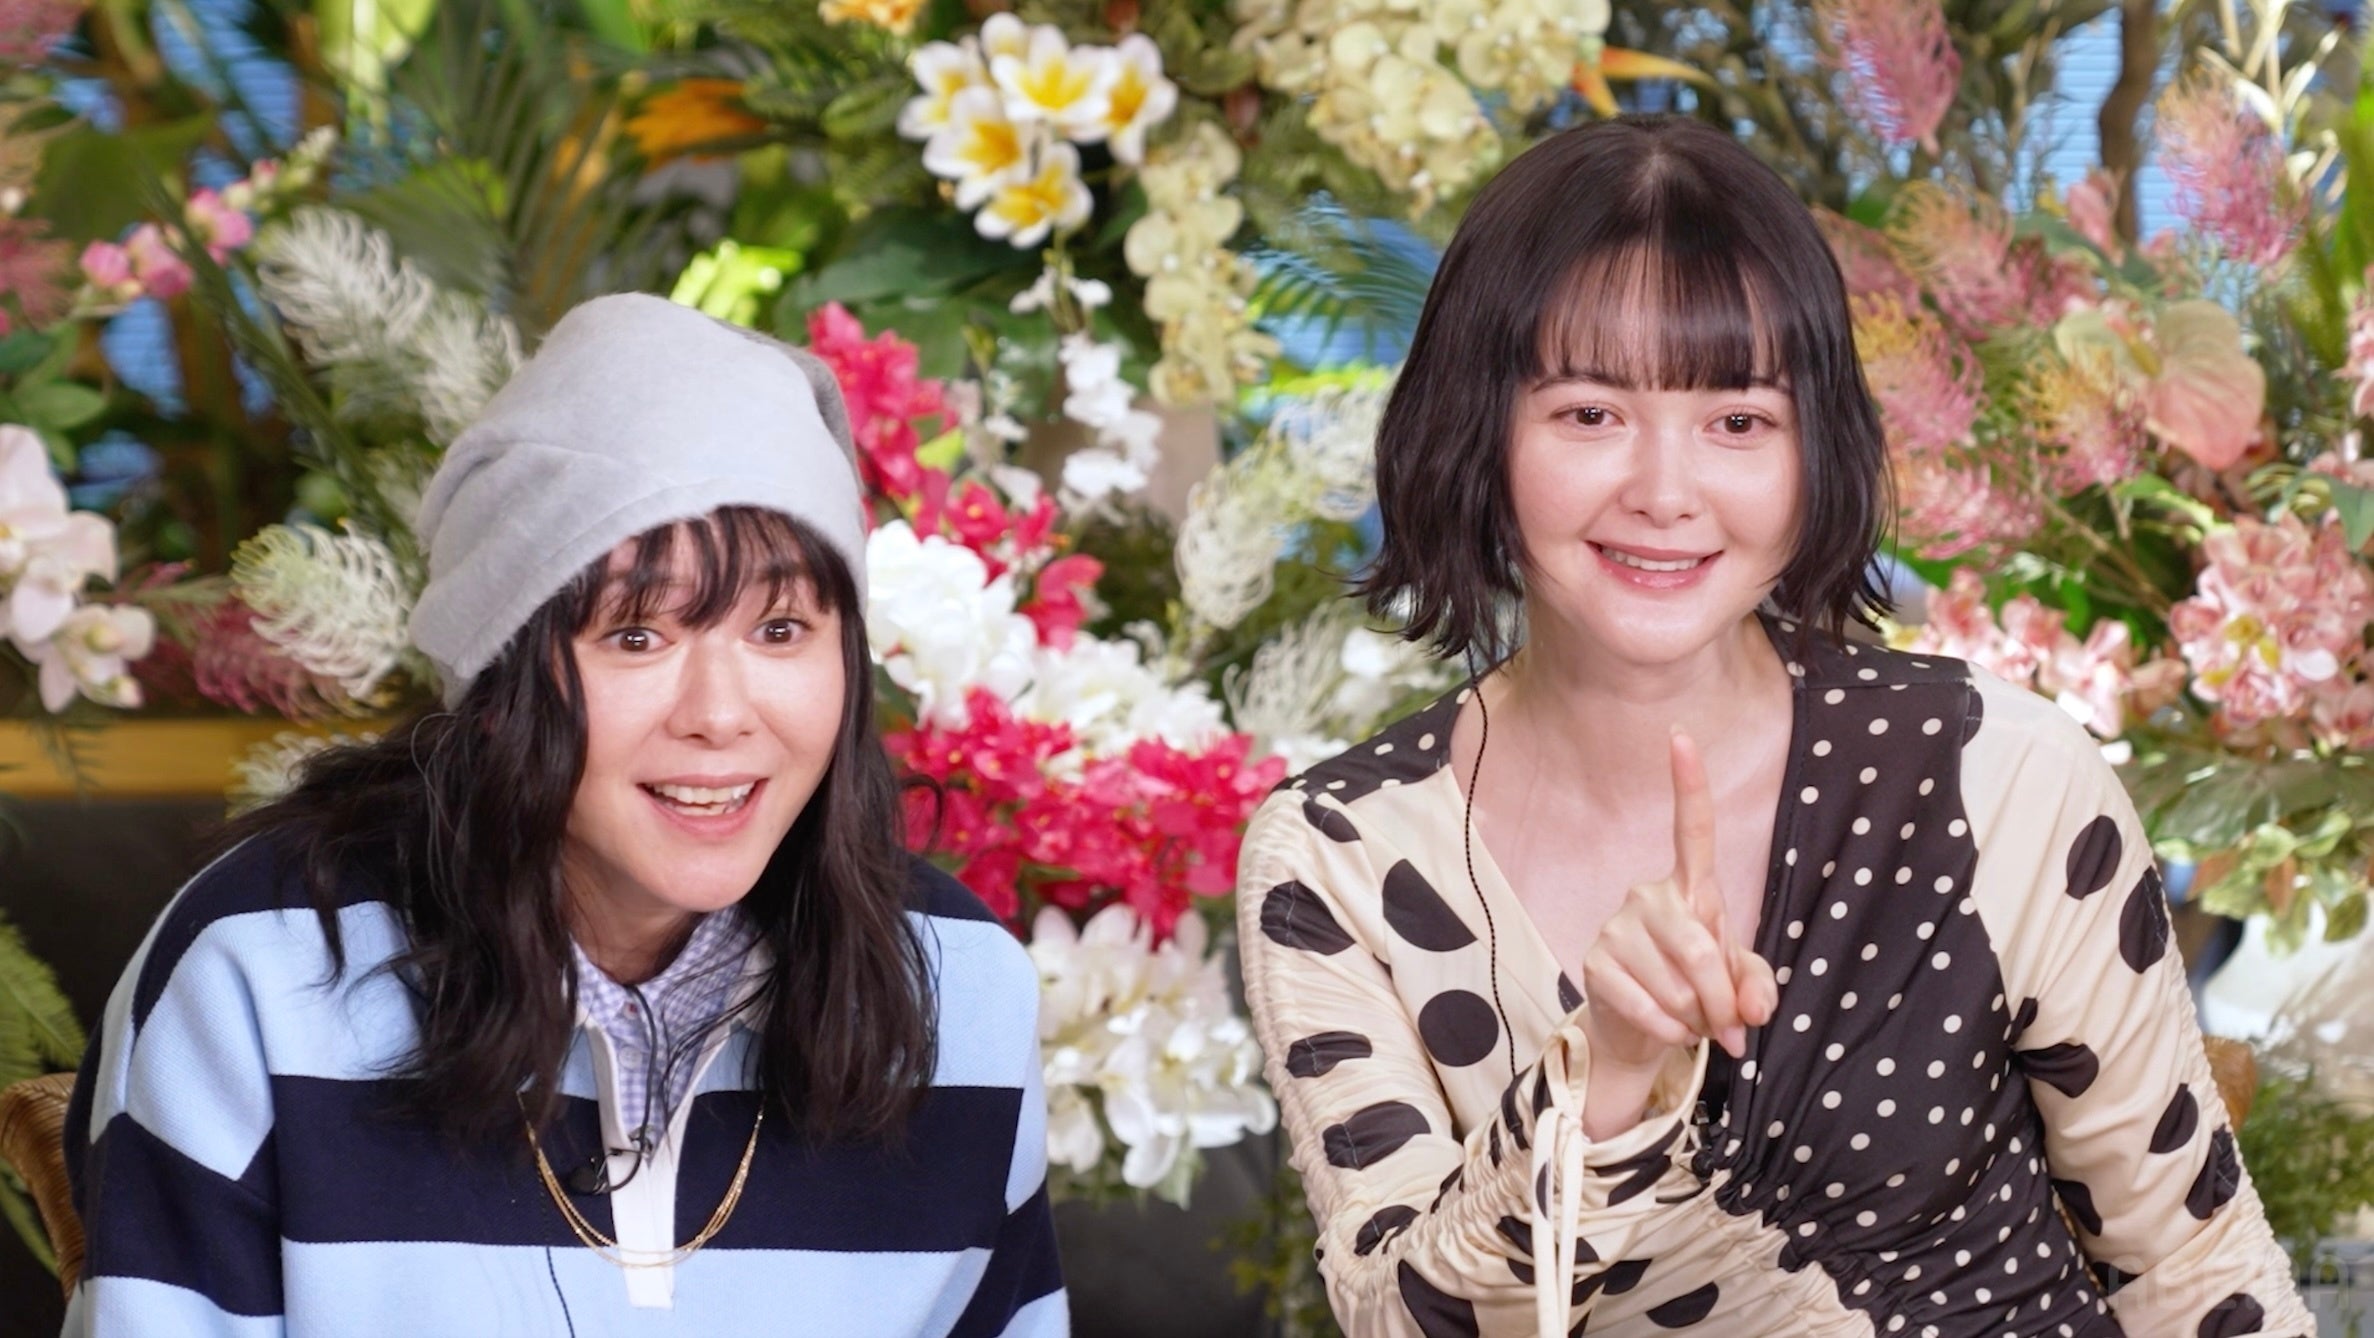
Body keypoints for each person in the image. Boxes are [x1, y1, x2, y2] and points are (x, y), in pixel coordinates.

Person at [1234, 117, 2310, 1337]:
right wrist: (1608, 1073)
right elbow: (1399, 1320)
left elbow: (2192, 1265)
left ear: (1815, 450)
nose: (1664, 491)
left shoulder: (1996, 775)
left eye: (1738, 421)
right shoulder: (1338, 859)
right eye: (1588, 414)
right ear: (1476, 428)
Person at [63, 294, 1066, 1336]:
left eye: (780, 628)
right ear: (498, 680)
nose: (721, 715)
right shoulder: (262, 975)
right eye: (636, 636)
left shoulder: (959, 989)